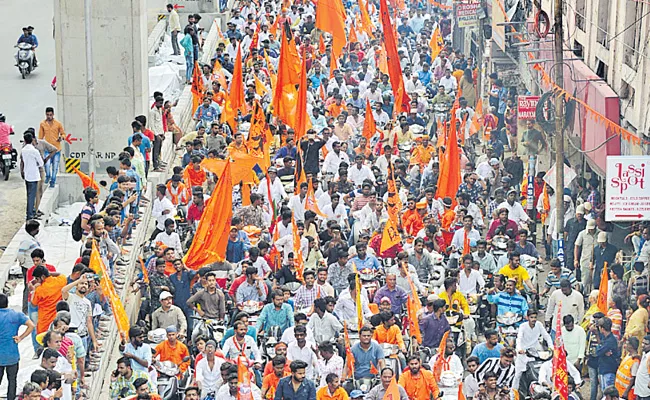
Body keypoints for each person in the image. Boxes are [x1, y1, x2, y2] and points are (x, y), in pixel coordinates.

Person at [0, 293, 35, 400]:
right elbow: (31, 325)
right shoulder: (16, 315)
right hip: (12, 354)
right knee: (12, 381)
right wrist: (20, 337)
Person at [513, 309, 553, 389]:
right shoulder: (523, 326)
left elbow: (547, 336)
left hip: (536, 352)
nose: (533, 319)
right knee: (518, 375)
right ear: (527, 318)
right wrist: (519, 349)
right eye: (531, 317)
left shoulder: (539, 324)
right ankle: (513, 393)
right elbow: (519, 339)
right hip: (524, 353)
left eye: (535, 317)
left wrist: (551, 347)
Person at [37, 107, 65, 188]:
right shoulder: (42, 124)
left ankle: (53, 181)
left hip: (56, 149)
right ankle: (48, 176)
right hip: (47, 149)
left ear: (53, 114)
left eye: (50, 115)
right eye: (47, 115)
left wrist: (61, 137)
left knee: (55, 167)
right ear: (46, 114)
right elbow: (40, 137)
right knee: (47, 165)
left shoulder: (58, 124)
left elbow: (63, 134)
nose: (49, 116)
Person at [20, 132, 43, 220]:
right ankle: (30, 214)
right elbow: (41, 163)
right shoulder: (34, 151)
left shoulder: (23, 150)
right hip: (34, 175)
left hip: (27, 174)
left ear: (25, 140)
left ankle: (31, 211)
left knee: (29, 195)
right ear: (32, 140)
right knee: (32, 195)